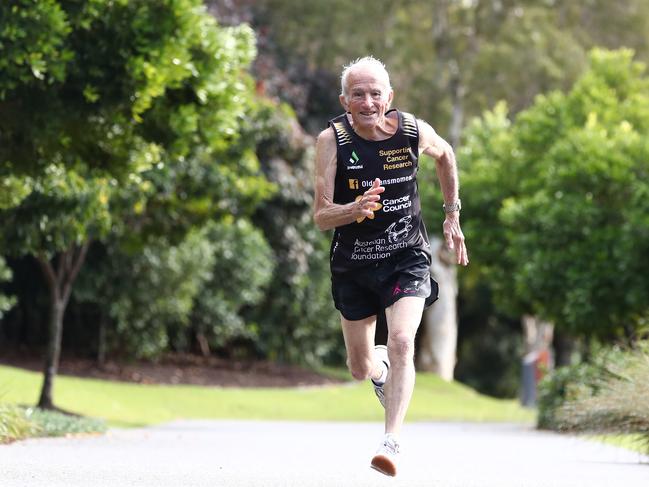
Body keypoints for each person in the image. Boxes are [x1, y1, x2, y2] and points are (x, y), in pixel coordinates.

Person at [313, 56, 469, 477]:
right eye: (358, 94)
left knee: (402, 341)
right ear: (345, 100)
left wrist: (451, 215)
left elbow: (446, 155)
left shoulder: (412, 131)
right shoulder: (333, 141)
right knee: (359, 367)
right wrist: (353, 209)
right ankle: (378, 370)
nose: (368, 102)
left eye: (375, 93)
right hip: (353, 264)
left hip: (406, 255)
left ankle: (391, 441)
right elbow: (321, 215)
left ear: (390, 97)